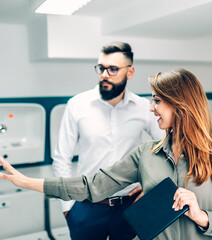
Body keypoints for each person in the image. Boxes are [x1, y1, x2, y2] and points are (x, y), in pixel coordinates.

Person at [0, 68, 212, 240]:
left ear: (180, 105)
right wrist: (28, 182)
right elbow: (92, 185)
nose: (151, 108)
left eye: (157, 101)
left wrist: (201, 216)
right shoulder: (145, 155)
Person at [52, 41, 164, 240]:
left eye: (113, 69)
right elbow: (62, 159)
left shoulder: (143, 107)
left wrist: (151, 185)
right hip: (86, 207)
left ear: (130, 72)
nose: (105, 74)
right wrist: (68, 209)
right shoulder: (77, 105)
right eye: (101, 68)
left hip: (131, 207)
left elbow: (168, 147)